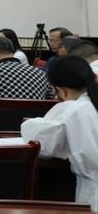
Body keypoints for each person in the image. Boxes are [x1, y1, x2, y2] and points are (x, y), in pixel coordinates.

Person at [21, 55, 98, 208]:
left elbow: (43, 144)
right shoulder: (87, 103)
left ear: (61, 90)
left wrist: (29, 123)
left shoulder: (73, 108)